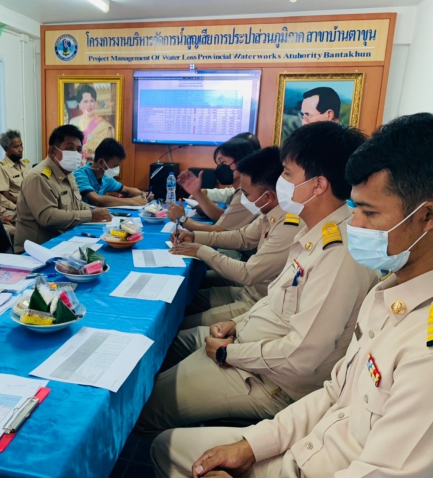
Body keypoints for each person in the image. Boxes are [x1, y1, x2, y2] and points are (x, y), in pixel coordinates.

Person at [152, 113, 433, 478]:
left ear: (427, 217)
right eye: (354, 208)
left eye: (368, 212)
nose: (355, 224)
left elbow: (302, 360)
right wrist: (252, 446)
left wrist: (227, 353)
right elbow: (334, 393)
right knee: (165, 429)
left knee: (155, 422)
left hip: (273, 386)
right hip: (306, 435)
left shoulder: (416, 337)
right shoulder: (386, 293)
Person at [134, 121, 378, 438]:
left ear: (318, 185)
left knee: (139, 406)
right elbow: (276, 299)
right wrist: (236, 325)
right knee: (156, 365)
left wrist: (228, 353)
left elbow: (302, 355)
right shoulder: (312, 231)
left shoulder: (337, 253)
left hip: (269, 380)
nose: (280, 183)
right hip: (247, 346)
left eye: (287, 174)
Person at [170, 147, 303, 329]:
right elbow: (242, 237)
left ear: (268, 196)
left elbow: (248, 274)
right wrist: (195, 237)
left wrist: (200, 250)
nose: (244, 198)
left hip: (259, 303)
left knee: (178, 328)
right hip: (248, 291)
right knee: (181, 302)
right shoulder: (272, 211)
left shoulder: (289, 223)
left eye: (246, 194)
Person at [14, 125, 112, 253]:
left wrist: (95, 211)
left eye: (78, 150)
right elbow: (48, 217)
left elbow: (77, 204)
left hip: (63, 241)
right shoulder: (38, 177)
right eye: (70, 148)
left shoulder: (68, 173)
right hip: (37, 251)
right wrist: (91, 215)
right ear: (52, 151)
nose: (75, 154)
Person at [169, 139, 256, 233]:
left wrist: (182, 219)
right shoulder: (241, 189)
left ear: (241, 160)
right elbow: (225, 221)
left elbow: (220, 232)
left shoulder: (247, 194)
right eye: (218, 164)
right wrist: (196, 192)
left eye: (223, 163)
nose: (219, 169)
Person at [73, 138, 151, 207]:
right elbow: (97, 200)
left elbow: (127, 190)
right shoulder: (79, 174)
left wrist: (143, 195)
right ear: (101, 162)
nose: (117, 169)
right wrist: (132, 201)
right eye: (115, 165)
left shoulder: (105, 178)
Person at [69, 84, 115, 164]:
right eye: (85, 101)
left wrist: (92, 156)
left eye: (92, 101)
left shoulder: (105, 126)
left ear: (95, 102)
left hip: (96, 167)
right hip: (76, 167)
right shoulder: (73, 122)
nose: (89, 105)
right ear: (79, 104)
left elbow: (109, 154)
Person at [0, 130, 31, 205]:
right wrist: (27, 203)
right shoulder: (1, 168)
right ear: (6, 149)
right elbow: (6, 197)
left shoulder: (25, 164)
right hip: (17, 206)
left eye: (21, 145)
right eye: (16, 147)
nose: (20, 150)